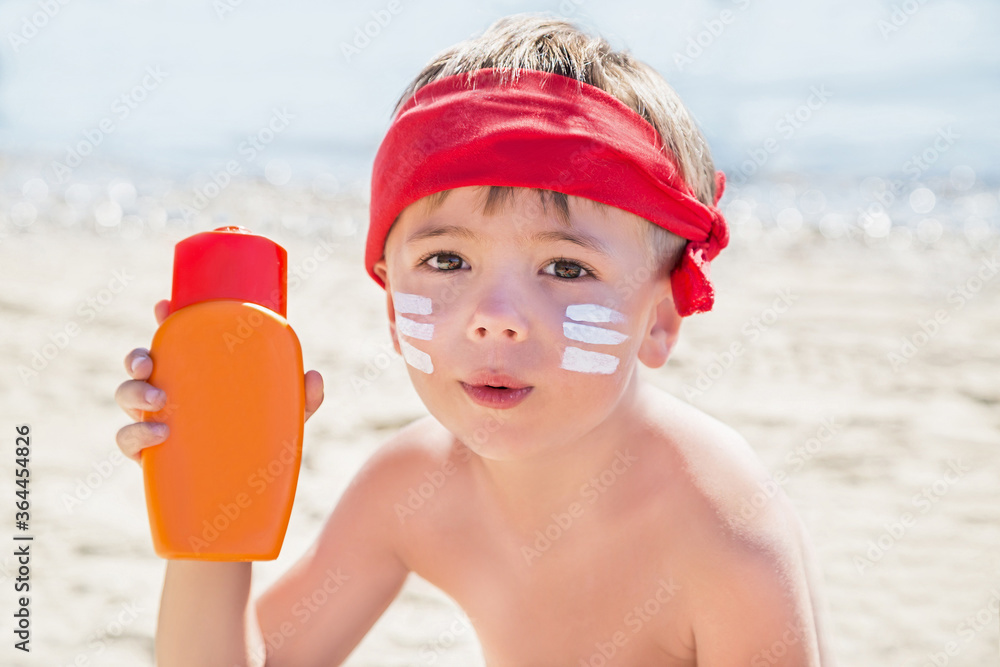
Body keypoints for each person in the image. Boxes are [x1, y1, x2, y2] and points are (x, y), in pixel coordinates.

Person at [115, 13, 835, 666]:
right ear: (391, 303)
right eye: (447, 260)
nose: (495, 315)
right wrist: (216, 493)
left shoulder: (722, 534)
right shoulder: (412, 488)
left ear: (662, 316)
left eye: (565, 266)